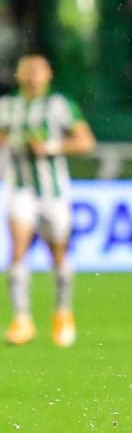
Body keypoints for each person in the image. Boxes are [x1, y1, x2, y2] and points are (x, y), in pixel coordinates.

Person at [1, 53, 96, 347]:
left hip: (53, 193)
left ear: (48, 75)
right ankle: (22, 320)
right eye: (27, 70)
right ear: (18, 75)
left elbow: (85, 141)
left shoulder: (59, 105)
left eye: (37, 70)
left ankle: (63, 313)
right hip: (19, 188)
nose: (32, 76)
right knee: (17, 250)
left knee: (58, 255)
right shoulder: (7, 107)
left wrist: (51, 146)